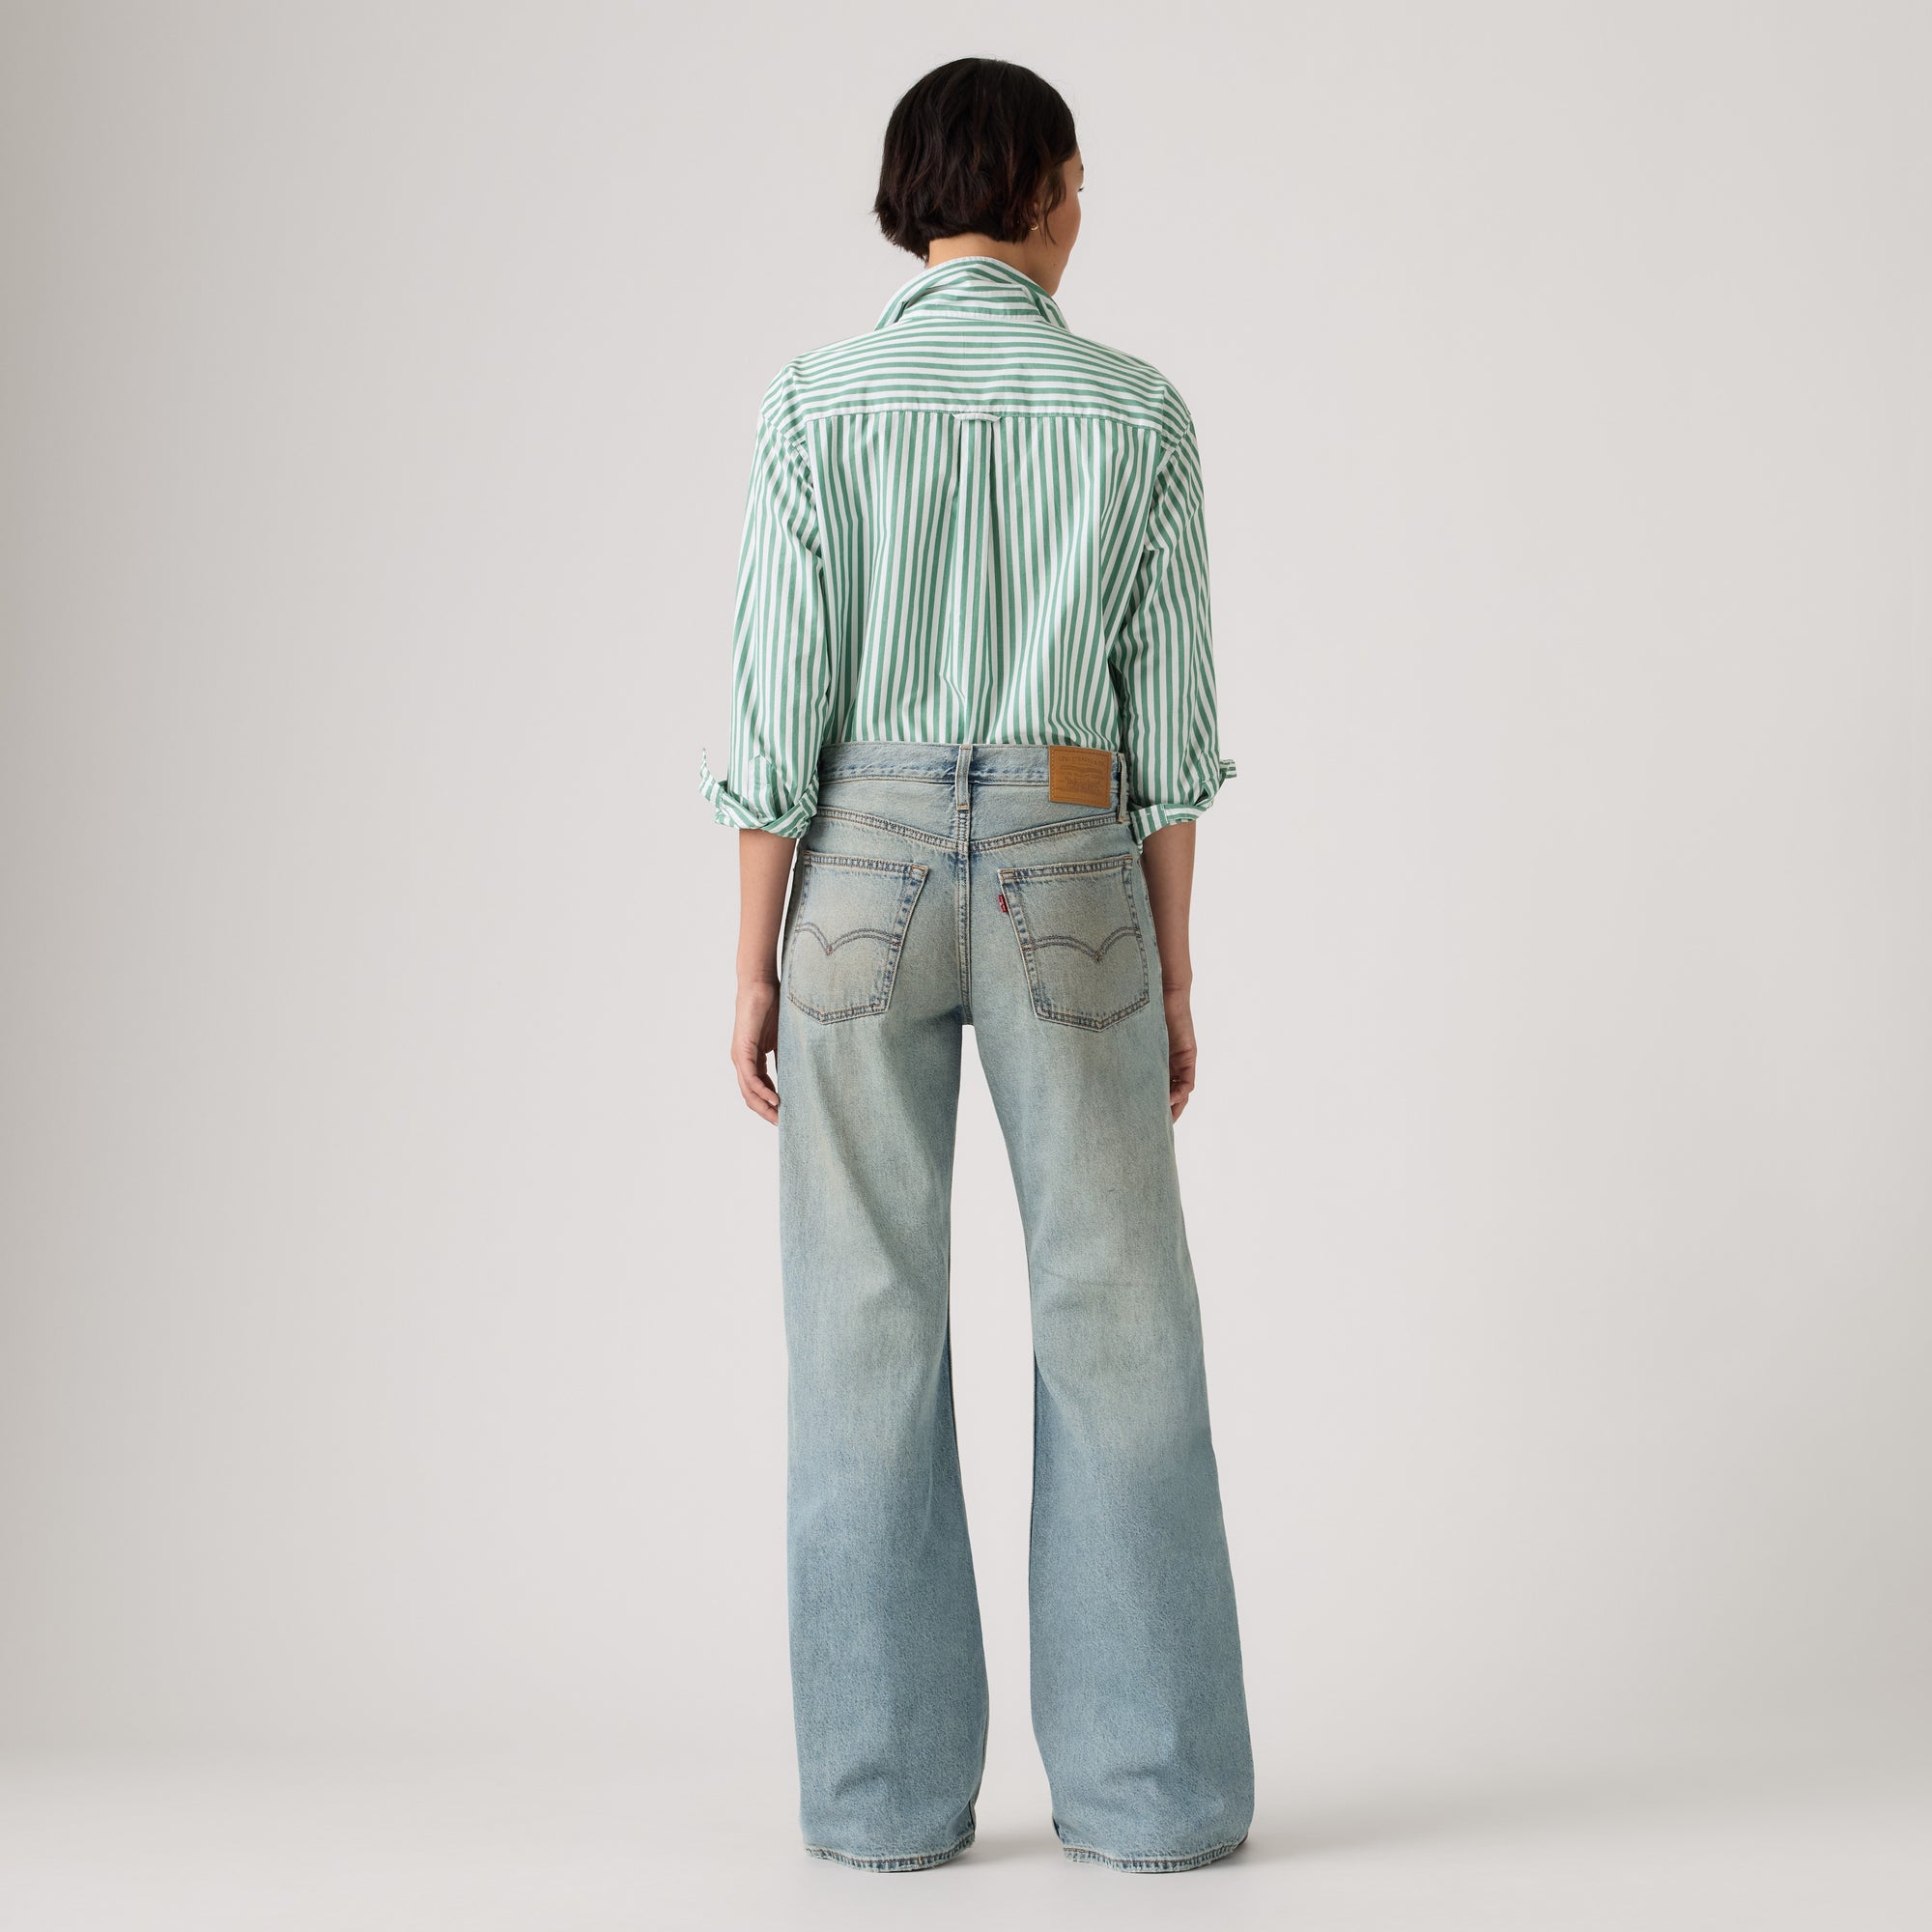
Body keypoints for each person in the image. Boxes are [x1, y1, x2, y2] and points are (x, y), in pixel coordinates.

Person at [698, 56, 1254, 1875]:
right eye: (1080, 184)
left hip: (852, 868)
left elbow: (773, 711)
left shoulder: (816, 404)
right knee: (1118, 1318)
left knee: (860, 1329)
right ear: (1050, 190)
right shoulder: (1133, 411)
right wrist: (1176, 973)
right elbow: (1168, 735)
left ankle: (880, 1805)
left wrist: (752, 962)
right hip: (1072, 848)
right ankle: (1155, 1800)